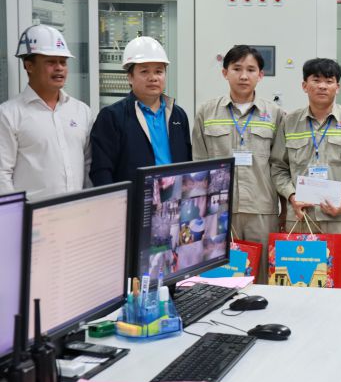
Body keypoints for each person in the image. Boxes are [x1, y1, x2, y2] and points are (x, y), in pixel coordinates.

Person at [193, 45, 285, 283]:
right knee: (220, 275)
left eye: (251, 70)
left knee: (263, 276)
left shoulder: (275, 114)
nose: (244, 76)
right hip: (219, 210)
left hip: (261, 209)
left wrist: (284, 211)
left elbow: (280, 165)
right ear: (225, 73)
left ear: (260, 75)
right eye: (237, 69)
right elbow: (199, 164)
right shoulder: (207, 112)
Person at [271, 58, 341, 288]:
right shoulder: (289, 122)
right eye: (315, 80)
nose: (322, 86)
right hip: (299, 217)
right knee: (299, 281)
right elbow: (278, 167)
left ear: (337, 87)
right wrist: (291, 196)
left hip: (338, 219)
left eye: (329, 81)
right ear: (304, 85)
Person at [0, 25, 93, 199]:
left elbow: (88, 167)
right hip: (33, 221)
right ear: (29, 66)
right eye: (51, 62)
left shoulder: (82, 112)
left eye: (63, 62)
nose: (59, 68)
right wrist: (15, 218)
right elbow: (2, 175)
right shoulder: (8, 115)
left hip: (76, 216)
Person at [90, 36, 191, 185]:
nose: (153, 78)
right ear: (130, 77)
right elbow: (101, 171)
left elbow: (188, 163)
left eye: (159, 71)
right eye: (144, 72)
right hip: (132, 203)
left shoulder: (178, 115)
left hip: (172, 201)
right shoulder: (112, 117)